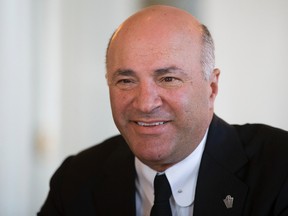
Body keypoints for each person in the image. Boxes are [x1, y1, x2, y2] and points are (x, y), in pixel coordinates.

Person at [38, 5, 288, 216]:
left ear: (211, 89)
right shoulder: (75, 180)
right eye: (126, 81)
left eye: (168, 79)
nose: (145, 104)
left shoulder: (278, 170)